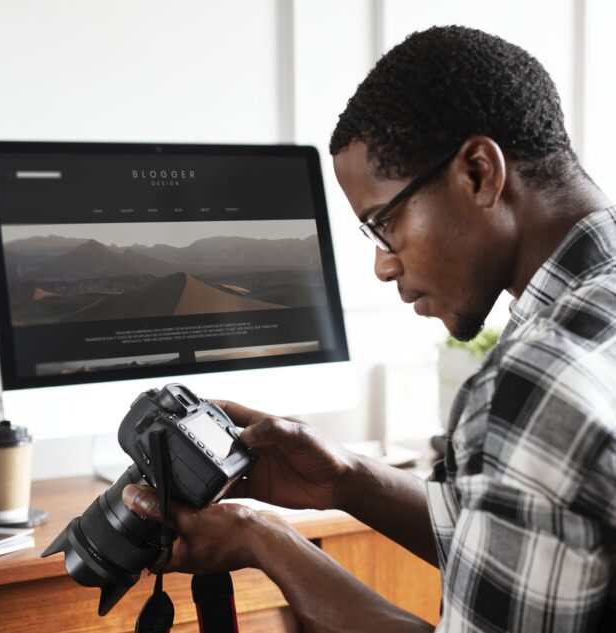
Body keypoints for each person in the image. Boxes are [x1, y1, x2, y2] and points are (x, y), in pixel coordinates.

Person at [123, 25, 616, 632]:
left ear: (480, 173)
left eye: (383, 223)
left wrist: (264, 540)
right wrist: (347, 479)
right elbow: (515, 549)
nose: (383, 266)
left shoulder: (535, 377)